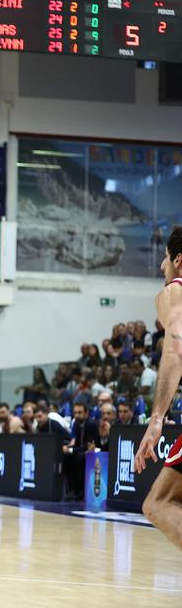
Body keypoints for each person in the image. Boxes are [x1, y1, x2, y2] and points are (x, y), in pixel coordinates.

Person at [136, 227, 182, 549]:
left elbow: (176, 348)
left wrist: (156, 420)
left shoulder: (175, 290)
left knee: (157, 504)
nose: (161, 266)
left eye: (165, 258)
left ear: (178, 260)